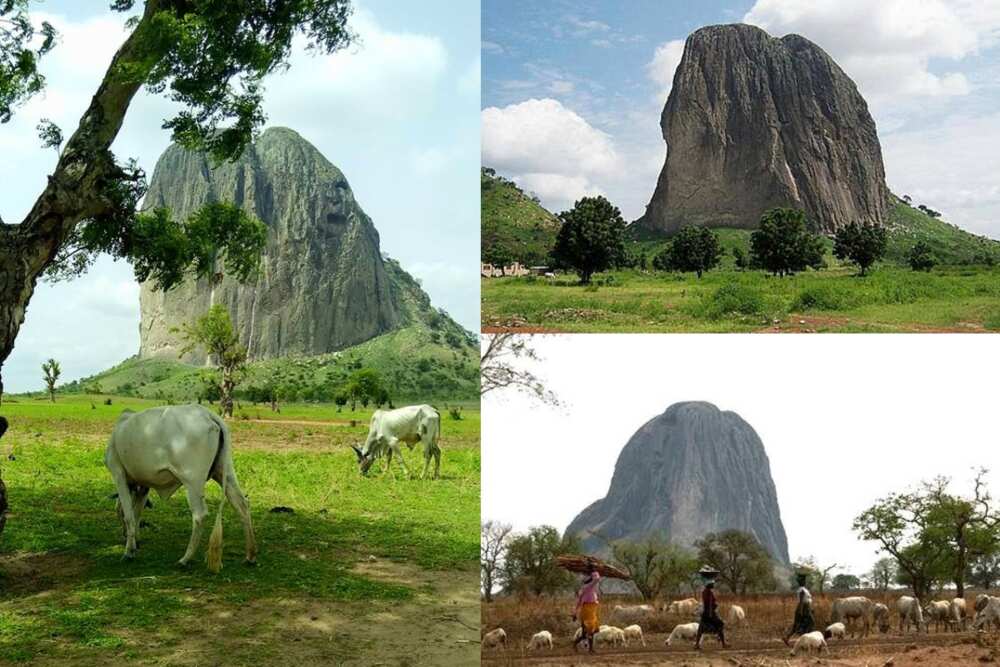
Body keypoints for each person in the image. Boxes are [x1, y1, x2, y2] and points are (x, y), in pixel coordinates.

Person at [572, 561, 601, 653]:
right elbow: (596, 579)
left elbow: (578, 603)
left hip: (586, 611)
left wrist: (574, 613)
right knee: (591, 630)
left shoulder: (583, 589)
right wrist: (593, 569)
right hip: (589, 611)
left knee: (586, 633)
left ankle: (575, 643)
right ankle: (591, 649)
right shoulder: (589, 587)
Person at [695, 566, 727, 650]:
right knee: (720, 624)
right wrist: (711, 612)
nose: (713, 585)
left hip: (706, 612)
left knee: (701, 628)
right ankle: (723, 643)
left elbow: (708, 603)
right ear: (710, 585)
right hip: (710, 612)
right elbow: (710, 604)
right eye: (712, 584)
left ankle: (697, 645)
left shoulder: (705, 592)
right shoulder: (709, 593)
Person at [783, 573, 815, 646]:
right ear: (801, 582)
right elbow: (801, 601)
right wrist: (801, 611)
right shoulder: (802, 590)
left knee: (798, 625)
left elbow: (806, 600)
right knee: (811, 623)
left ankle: (787, 637)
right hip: (804, 608)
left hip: (806, 608)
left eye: (804, 580)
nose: (804, 581)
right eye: (803, 580)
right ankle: (806, 640)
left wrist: (810, 609)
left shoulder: (803, 589)